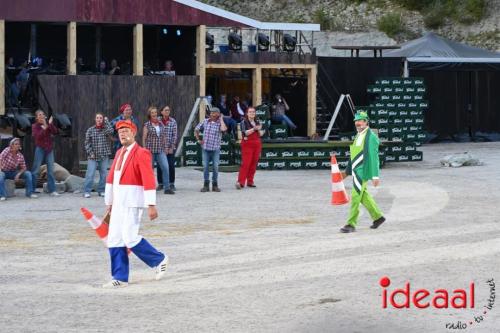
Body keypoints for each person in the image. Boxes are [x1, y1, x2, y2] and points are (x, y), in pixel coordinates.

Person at [103, 120, 169, 288]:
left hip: (132, 202)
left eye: (126, 130)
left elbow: (148, 178)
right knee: (114, 239)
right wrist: (109, 203)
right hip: (118, 203)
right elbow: (112, 178)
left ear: (133, 132)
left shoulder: (142, 153)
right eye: (120, 132)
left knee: (130, 238)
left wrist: (151, 204)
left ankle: (159, 259)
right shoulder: (119, 153)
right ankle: (120, 277)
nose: (122, 134)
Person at [340, 111, 386, 233]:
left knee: (355, 196)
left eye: (360, 120)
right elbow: (354, 155)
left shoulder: (371, 137)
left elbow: (374, 157)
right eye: (356, 121)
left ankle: (351, 224)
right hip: (356, 171)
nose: (357, 123)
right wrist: (346, 172)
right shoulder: (358, 135)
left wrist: (375, 176)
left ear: (366, 122)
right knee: (363, 195)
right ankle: (378, 217)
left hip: (363, 172)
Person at [142, 106, 174, 195]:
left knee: (166, 168)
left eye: (155, 112)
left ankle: (167, 188)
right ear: (149, 114)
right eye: (152, 113)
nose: (154, 114)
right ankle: (150, 188)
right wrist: (144, 150)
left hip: (160, 150)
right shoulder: (147, 125)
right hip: (150, 151)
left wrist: (166, 148)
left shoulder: (160, 124)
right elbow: (144, 138)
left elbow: (163, 136)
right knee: (150, 171)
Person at [194, 107, 227, 192]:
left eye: (214, 113)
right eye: (211, 112)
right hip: (205, 149)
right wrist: (198, 139)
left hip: (215, 149)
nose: (212, 114)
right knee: (205, 167)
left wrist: (222, 119)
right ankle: (206, 185)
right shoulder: (205, 121)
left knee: (215, 167)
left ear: (218, 114)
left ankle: (215, 185)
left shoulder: (220, 123)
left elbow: (224, 130)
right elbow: (196, 129)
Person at [83, 113, 114, 198]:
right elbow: (87, 143)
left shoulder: (106, 129)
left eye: (101, 118)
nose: (99, 119)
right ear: (95, 119)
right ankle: (87, 191)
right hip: (93, 156)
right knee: (90, 174)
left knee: (103, 174)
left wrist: (107, 121)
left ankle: (101, 190)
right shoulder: (90, 130)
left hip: (104, 155)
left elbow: (111, 131)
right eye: (97, 118)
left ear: (103, 119)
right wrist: (90, 153)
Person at [31, 110, 59, 196]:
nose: (42, 116)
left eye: (43, 114)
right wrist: (45, 127)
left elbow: (55, 131)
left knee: (51, 170)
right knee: (36, 170)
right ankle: (31, 190)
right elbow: (38, 136)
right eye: (40, 115)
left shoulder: (47, 124)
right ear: (37, 118)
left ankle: (52, 190)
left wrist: (49, 124)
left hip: (49, 149)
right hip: (40, 149)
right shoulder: (34, 126)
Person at [236, 107, 263, 189]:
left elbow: (261, 134)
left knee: (254, 164)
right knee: (246, 164)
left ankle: (250, 182)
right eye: (250, 112)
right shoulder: (243, 122)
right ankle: (240, 182)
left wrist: (259, 130)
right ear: (247, 113)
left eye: (253, 112)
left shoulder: (257, 122)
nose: (252, 113)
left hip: (257, 144)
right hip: (247, 144)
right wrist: (254, 128)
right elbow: (245, 133)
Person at [158, 105, 178, 191]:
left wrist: (171, 147)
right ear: (161, 112)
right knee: (160, 166)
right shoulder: (157, 121)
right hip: (160, 147)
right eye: (165, 110)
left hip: (170, 147)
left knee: (171, 165)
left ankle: (171, 183)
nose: (167, 112)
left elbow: (175, 135)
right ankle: (161, 184)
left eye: (168, 110)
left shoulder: (173, 121)